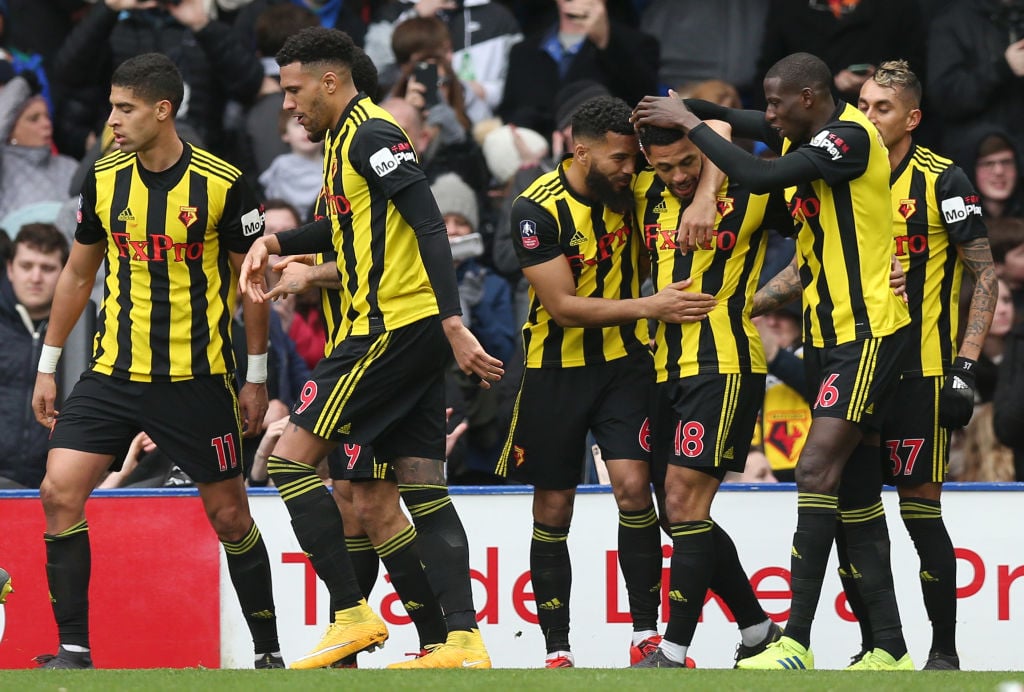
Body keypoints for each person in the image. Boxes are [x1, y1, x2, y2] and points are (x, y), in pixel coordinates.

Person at [633, 51, 912, 670]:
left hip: (867, 331)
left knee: (813, 472)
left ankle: (793, 641)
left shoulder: (847, 139)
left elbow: (757, 179)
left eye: (778, 103)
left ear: (808, 99)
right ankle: (887, 646)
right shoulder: (811, 129)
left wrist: (697, 127)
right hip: (829, 334)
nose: (770, 114)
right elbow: (736, 119)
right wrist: (685, 110)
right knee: (857, 496)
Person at [237, 26, 504, 670]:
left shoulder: (373, 134)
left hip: (386, 330)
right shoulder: (343, 141)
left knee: (292, 464)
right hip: (397, 330)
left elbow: (428, 221)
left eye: (296, 89)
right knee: (397, 492)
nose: (290, 103)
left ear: (330, 81)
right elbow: (345, 222)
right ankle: (458, 643)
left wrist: (451, 319)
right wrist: (275, 242)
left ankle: (353, 616)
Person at [30, 53, 283, 670]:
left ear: (162, 110)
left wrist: (255, 377)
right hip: (113, 373)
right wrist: (48, 362)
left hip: (196, 382)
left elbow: (252, 283)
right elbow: (77, 272)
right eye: (112, 107)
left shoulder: (223, 183)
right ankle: (73, 650)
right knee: (58, 492)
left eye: (125, 109)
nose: (112, 120)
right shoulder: (104, 177)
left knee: (229, 516)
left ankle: (270, 656)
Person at [494, 94, 716, 668]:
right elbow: (564, 307)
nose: (630, 170)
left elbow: (715, 131)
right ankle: (557, 650)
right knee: (554, 506)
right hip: (552, 372)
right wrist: (652, 305)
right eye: (619, 159)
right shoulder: (534, 209)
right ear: (579, 148)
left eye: (633, 159)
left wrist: (708, 194)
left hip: (625, 367)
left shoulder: (634, 188)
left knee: (634, 490)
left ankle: (645, 635)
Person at [850, 60, 997, 670]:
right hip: (855, 369)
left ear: (911, 118)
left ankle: (944, 653)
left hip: (921, 373)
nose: (865, 117)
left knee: (919, 510)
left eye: (880, 107)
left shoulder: (945, 180)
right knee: (847, 510)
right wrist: (747, 302)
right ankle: (879, 645)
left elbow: (984, 273)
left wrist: (964, 367)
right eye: (860, 104)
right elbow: (807, 261)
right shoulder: (842, 173)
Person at [627, 121, 787, 668]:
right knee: (676, 514)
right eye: (664, 166)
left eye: (687, 163)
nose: (675, 176)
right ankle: (759, 629)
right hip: (661, 369)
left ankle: (672, 652)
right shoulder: (645, 190)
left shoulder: (750, 188)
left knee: (684, 504)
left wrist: (706, 193)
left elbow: (718, 123)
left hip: (724, 365)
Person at [0, 223, 67, 489]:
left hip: (59, 483)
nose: (36, 277)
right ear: (9, 270)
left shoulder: (86, 329)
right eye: (27, 266)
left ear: (65, 272)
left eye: (47, 268)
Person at [0, 75, 77, 226]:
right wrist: (21, 84)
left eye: (47, 116)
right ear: (10, 129)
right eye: (34, 119)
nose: (46, 124)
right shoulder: (4, 166)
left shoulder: (69, 166)